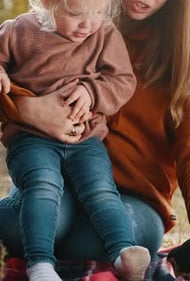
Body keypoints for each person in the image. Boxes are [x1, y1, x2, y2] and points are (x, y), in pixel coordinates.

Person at [0, 0, 190, 278]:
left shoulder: (188, 53)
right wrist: (25, 109)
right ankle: (46, 254)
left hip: (135, 198)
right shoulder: (73, 16)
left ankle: (53, 254)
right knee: (31, 224)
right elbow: (15, 69)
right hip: (56, 174)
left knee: (100, 238)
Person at [0, 0, 153, 280]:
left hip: (85, 138)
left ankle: (123, 254)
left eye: (98, 12)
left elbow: (122, 80)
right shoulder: (17, 31)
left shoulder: (104, 34)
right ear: (48, 4)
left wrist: (92, 91)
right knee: (43, 185)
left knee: (101, 190)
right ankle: (40, 264)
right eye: (76, 13)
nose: (88, 23)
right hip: (31, 139)